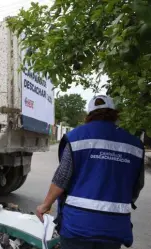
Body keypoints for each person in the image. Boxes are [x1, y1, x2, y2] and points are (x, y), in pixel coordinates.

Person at [36, 95, 145, 249]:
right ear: (114, 113)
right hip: (114, 227)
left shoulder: (76, 137)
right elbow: (137, 185)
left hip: (78, 226)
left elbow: (61, 178)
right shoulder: (134, 144)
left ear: (89, 115)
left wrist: (45, 205)